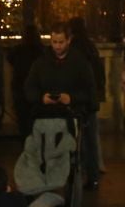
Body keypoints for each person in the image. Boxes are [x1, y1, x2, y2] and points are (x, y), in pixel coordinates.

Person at [25, 26, 98, 185]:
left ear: (69, 40)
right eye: (54, 42)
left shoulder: (80, 62)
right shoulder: (41, 63)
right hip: (47, 114)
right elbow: (29, 88)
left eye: (61, 42)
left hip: (71, 114)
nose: (57, 46)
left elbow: (90, 91)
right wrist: (41, 98)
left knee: (75, 149)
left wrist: (70, 98)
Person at [66, 17, 106, 189]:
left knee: (79, 140)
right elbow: (99, 74)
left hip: (78, 100)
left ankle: (80, 173)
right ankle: (94, 174)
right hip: (91, 99)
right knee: (91, 139)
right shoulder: (90, 47)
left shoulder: (74, 50)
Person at [7, 25, 45, 137]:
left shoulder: (18, 50)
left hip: (20, 89)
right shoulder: (41, 51)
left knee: (23, 121)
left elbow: (10, 59)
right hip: (37, 90)